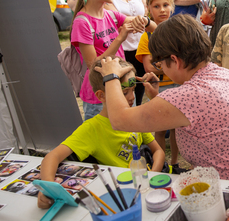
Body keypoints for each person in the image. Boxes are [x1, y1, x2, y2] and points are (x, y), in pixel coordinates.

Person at [94, 14, 229, 184]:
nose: (160, 68)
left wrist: (110, 77)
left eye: (160, 64)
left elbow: (119, 120)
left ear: (175, 60)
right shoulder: (224, 74)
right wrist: (158, 99)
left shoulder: (187, 97)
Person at [37, 58, 165, 209]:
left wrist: (151, 176)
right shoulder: (92, 128)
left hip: (148, 185)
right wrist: (47, 188)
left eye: (133, 90)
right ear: (101, 96)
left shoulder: (133, 117)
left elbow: (158, 151)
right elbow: (52, 156)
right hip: (127, 196)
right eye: (124, 92)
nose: (132, 97)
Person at [70, 0, 156, 120]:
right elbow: (93, 65)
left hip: (123, 85)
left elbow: (152, 27)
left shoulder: (111, 15)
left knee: (128, 135)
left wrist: (142, 19)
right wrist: (120, 38)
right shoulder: (82, 22)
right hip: (100, 94)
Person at [136, 0, 183, 172]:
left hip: (178, 87)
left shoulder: (178, 31)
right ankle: (161, 163)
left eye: (165, 5)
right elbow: (149, 66)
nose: (162, 10)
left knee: (177, 129)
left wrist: (162, 64)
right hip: (160, 89)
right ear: (148, 9)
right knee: (160, 128)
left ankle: (175, 163)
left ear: (172, 7)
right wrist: (171, 64)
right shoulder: (146, 37)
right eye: (156, 6)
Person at [103, 0, 147, 106]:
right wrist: (140, 20)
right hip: (122, 53)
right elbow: (118, 20)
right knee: (125, 98)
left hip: (141, 52)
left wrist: (139, 21)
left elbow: (147, 18)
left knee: (140, 97)